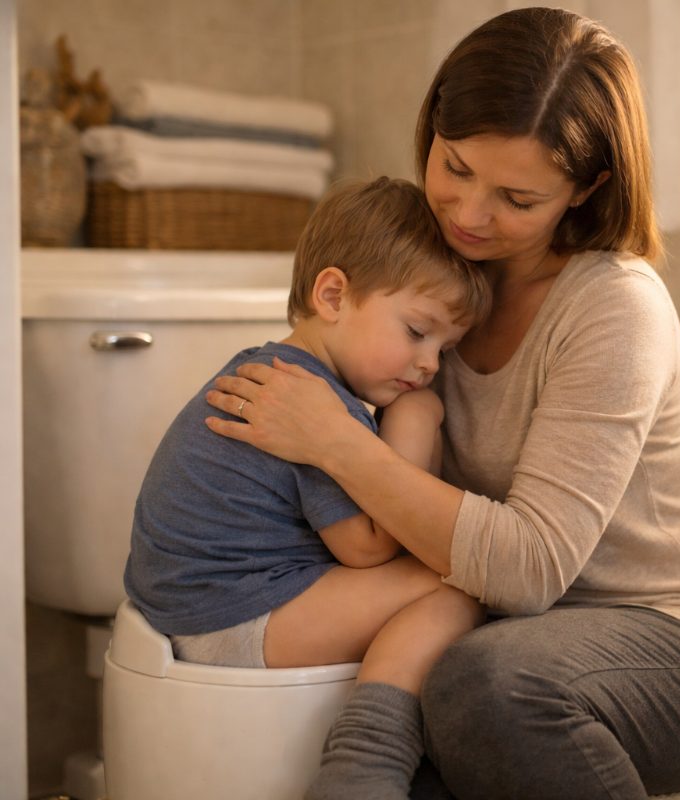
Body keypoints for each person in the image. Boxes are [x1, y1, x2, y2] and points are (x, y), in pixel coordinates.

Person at [203, 7, 680, 800]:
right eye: (456, 167)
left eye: (517, 196)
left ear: (587, 189)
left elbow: (532, 568)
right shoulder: (424, 277)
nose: (470, 215)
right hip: (507, 630)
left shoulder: (615, 307)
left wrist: (335, 443)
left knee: (487, 687)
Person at [124, 177, 491, 798]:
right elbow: (370, 548)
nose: (430, 364)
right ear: (332, 295)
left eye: (445, 348)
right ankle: (363, 758)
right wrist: (413, 422)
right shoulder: (311, 403)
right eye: (416, 331)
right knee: (463, 581)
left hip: (187, 607)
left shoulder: (271, 366)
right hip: (233, 619)